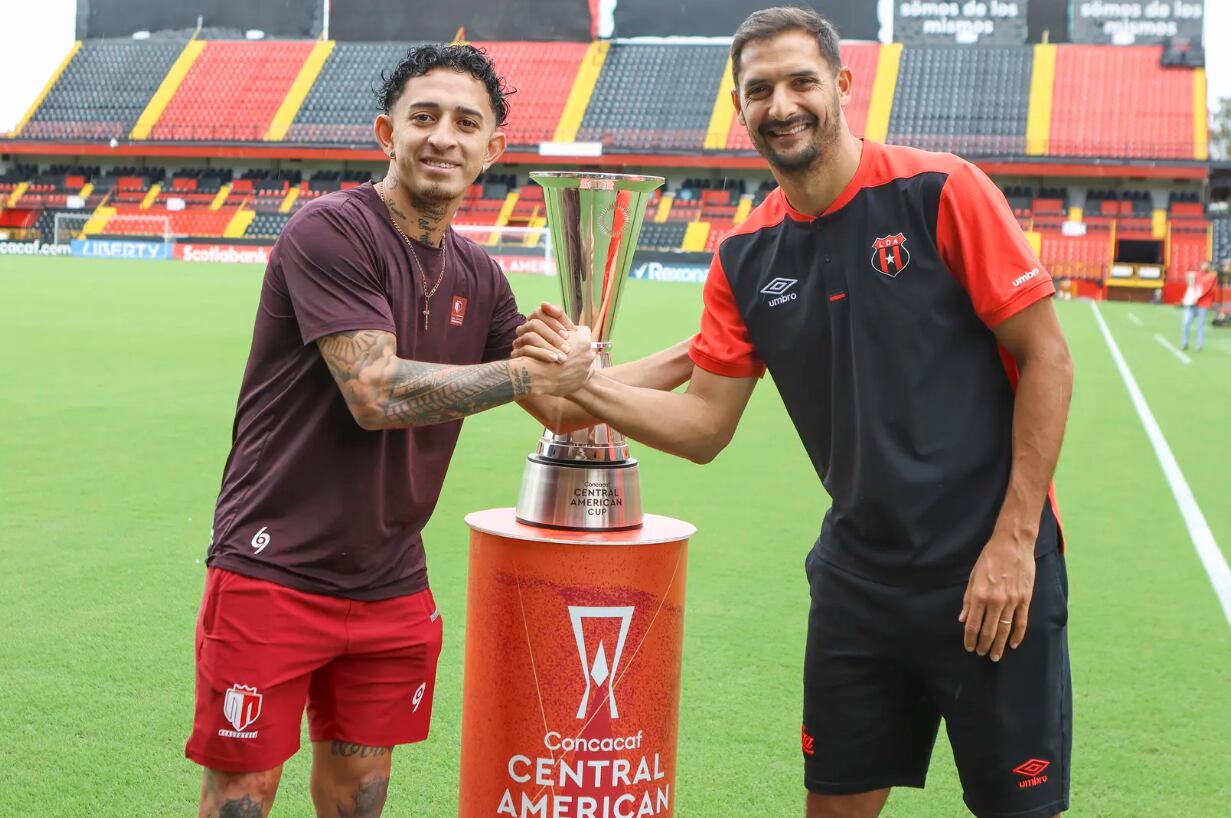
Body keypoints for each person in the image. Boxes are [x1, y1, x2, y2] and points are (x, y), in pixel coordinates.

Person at [518, 8, 1074, 818]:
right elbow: (704, 426)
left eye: (800, 82)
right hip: (857, 580)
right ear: (737, 108)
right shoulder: (743, 256)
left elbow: (1047, 357)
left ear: (841, 85)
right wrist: (584, 388)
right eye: (759, 90)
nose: (781, 106)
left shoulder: (939, 191)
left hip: (987, 567)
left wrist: (1014, 542)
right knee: (834, 806)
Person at [185, 44, 691, 818]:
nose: (442, 137)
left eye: (465, 123)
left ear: (493, 149)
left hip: (388, 578)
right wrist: (532, 374)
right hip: (274, 566)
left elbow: (570, 409)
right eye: (423, 117)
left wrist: (708, 350)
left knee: (361, 791)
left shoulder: (478, 274)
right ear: (386, 133)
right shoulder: (331, 232)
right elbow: (375, 392)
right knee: (242, 793)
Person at [1180, 261, 1217, 351]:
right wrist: (1187, 297)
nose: (1204, 267)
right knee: (1186, 322)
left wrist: (1198, 296)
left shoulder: (1212, 277)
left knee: (1200, 324)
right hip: (1191, 303)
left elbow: (1209, 289)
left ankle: (1199, 345)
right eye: (1203, 265)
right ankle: (1184, 343)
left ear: (1209, 267)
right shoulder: (1195, 275)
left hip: (1203, 303)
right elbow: (1190, 286)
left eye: (1206, 265)